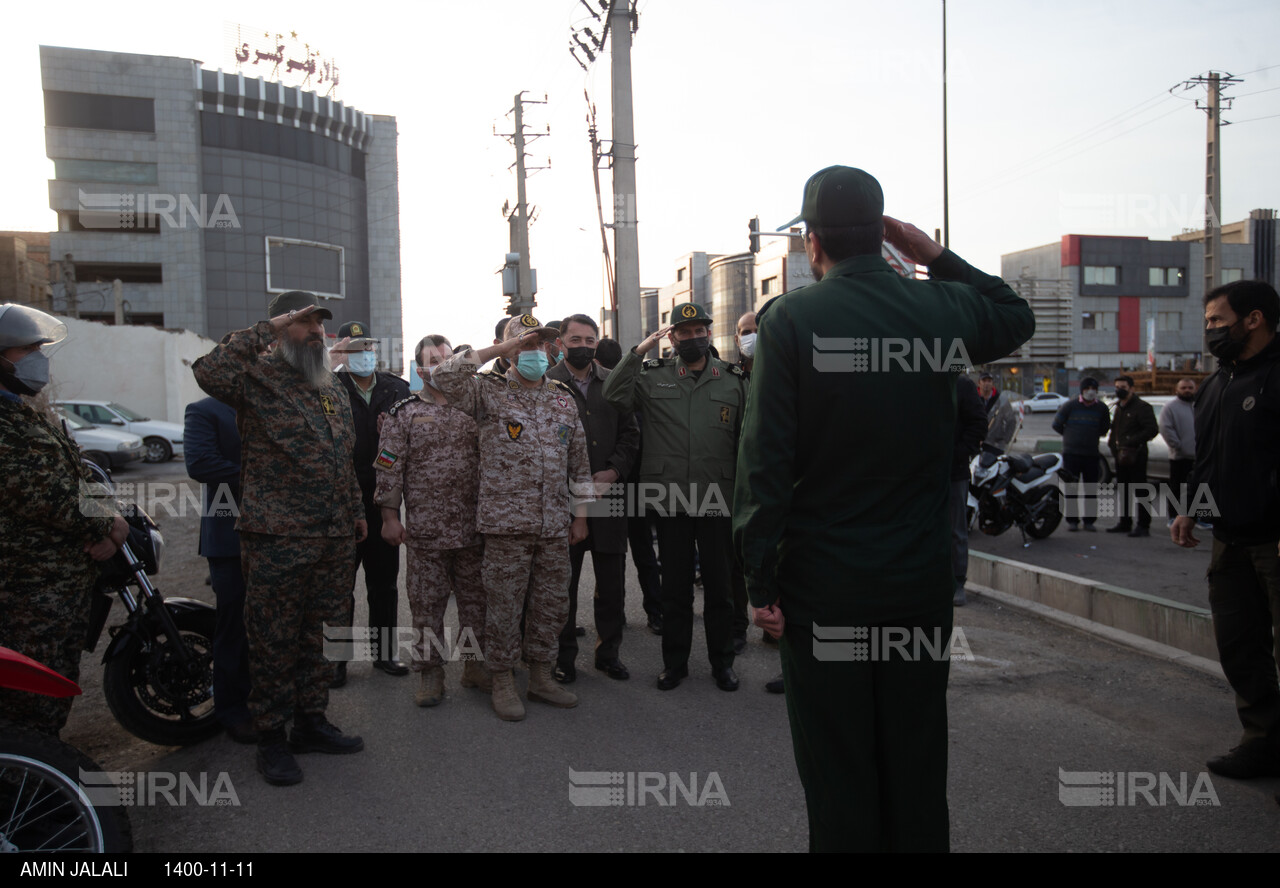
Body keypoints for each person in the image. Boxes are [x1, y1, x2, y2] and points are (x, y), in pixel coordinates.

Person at [733, 165, 1034, 852]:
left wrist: (760, 579)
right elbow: (1016, 316)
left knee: (838, 765)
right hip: (917, 584)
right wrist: (935, 257)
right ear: (885, 235)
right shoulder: (938, 311)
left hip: (823, 585)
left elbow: (765, 463)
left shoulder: (792, 321)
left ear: (813, 243)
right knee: (916, 755)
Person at [192, 291, 367, 787]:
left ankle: (311, 722)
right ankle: (271, 736)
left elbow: (343, 455)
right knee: (273, 639)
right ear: (279, 328)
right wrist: (267, 328)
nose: (316, 332)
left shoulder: (329, 385)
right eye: (303, 323)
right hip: (277, 537)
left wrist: (355, 510)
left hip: (333, 535)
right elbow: (208, 371)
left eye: (319, 324)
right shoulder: (256, 379)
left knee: (320, 636)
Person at [430, 314, 593, 721]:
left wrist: (582, 517)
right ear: (506, 348)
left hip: (555, 524)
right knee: (502, 607)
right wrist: (502, 350)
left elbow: (580, 465)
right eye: (524, 343)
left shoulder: (562, 397)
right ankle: (501, 678)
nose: (533, 351)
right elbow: (444, 377)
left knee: (551, 605)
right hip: (506, 526)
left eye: (539, 344)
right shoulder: (487, 392)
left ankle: (540, 676)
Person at [603, 302, 748, 693]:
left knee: (720, 588)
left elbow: (746, 441)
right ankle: (674, 664)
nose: (693, 338)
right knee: (675, 590)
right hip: (670, 500)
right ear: (673, 337)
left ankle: (723, 664)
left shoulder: (732, 380)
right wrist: (638, 353)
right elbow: (613, 393)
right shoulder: (653, 376)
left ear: (709, 334)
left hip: (718, 497)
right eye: (684, 332)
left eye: (699, 331)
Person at [0, 304, 127, 736]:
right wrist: (106, 526)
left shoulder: (25, 411)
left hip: (59, 584)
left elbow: (78, 473)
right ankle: (28, 784)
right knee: (27, 705)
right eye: (27, 349)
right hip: (26, 592)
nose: (39, 357)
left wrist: (108, 518)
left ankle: (37, 782)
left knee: (52, 691)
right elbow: (45, 495)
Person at [1171, 279, 1280, 782]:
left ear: (1253, 319)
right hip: (1229, 541)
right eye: (1209, 322)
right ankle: (1262, 743)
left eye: (1218, 321)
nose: (1211, 331)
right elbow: (1205, 460)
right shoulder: (1216, 385)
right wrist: (1190, 508)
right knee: (1239, 647)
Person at [375, 334, 489, 707]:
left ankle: (474, 667)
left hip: (474, 527)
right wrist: (389, 517)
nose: (441, 364)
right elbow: (389, 469)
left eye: (447, 358)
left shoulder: (475, 405)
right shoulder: (403, 413)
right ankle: (431, 673)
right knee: (427, 608)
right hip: (426, 532)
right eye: (433, 360)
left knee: (476, 604)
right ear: (420, 369)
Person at [548, 314, 639, 683]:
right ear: (560, 343)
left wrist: (614, 471)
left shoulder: (612, 382)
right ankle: (563, 657)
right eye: (575, 339)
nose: (583, 346)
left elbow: (632, 434)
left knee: (612, 582)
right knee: (562, 585)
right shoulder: (546, 383)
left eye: (590, 340)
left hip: (609, 493)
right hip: (562, 498)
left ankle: (608, 653)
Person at [331, 322, 411, 681]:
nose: (364, 355)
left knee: (383, 583)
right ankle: (336, 661)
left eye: (368, 348)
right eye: (355, 349)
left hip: (383, 500)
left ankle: (384, 654)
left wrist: (391, 435)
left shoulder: (397, 388)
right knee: (338, 587)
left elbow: (412, 439)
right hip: (341, 500)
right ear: (342, 353)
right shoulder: (327, 387)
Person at [184, 395, 255, 742]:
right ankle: (232, 709)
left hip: (276, 535)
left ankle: (270, 698)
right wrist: (264, 473)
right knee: (233, 625)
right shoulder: (205, 410)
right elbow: (200, 464)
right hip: (230, 538)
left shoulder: (270, 401)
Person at [1052, 376, 1111, 532]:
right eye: (1087, 389)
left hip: (1091, 454)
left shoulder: (1102, 409)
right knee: (1071, 488)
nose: (1090, 392)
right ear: (1082, 391)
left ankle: (1089, 521)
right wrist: (1070, 435)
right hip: (1071, 454)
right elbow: (1056, 424)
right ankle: (1072, 521)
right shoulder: (1070, 406)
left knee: (1090, 489)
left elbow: (1104, 428)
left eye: (1093, 389)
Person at [1106, 375, 1159, 537]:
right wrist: (1112, 446)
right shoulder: (1119, 407)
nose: (1119, 390)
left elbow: (1151, 430)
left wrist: (1130, 442)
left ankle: (1143, 525)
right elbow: (1115, 430)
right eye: (1117, 387)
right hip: (1121, 456)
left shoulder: (1142, 407)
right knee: (1123, 490)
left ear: (1131, 388)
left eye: (1123, 387)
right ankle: (1124, 522)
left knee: (1141, 490)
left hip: (1136, 455)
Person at [951, 374, 987, 605]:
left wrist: (958, 453)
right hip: (920, 472)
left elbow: (978, 424)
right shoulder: (915, 382)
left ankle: (956, 583)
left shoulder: (961, 384)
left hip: (953, 472)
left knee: (955, 531)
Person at [1160, 377, 1198, 526]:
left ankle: (1198, 517)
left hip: (1199, 457)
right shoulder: (1170, 407)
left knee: (1199, 488)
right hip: (1179, 456)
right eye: (1184, 388)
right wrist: (1178, 445)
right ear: (1177, 390)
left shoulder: (1199, 406)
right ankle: (1174, 517)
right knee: (1176, 488)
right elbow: (1165, 428)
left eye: (1190, 387)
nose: (1187, 390)